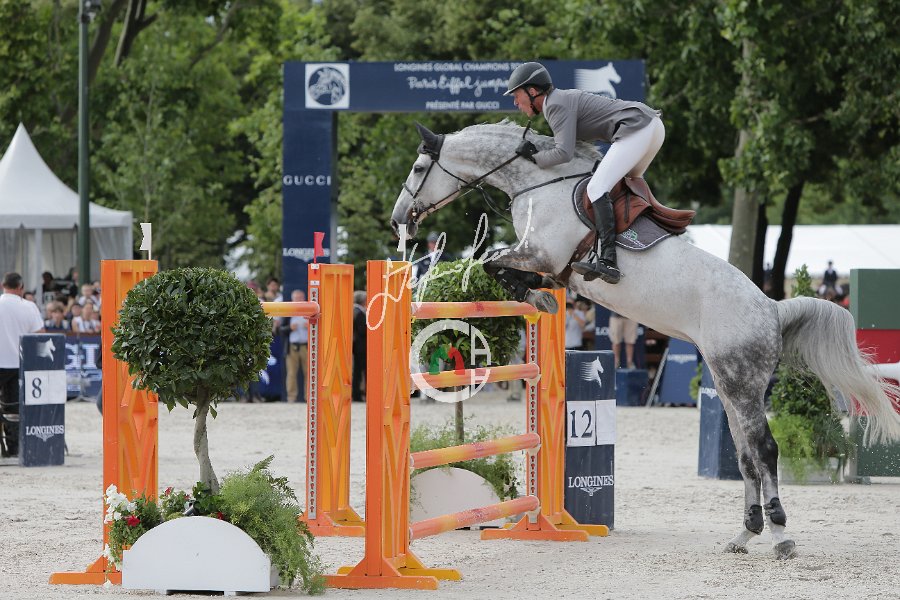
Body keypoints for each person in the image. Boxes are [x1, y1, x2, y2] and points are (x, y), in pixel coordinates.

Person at [505, 61, 665, 285]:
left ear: (532, 91)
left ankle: (608, 261)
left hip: (637, 127)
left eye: (516, 96)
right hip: (651, 126)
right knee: (624, 188)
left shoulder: (555, 104)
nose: (515, 102)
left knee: (596, 188)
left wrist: (534, 158)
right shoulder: (560, 100)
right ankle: (645, 240)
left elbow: (564, 153)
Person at [0, 272, 45, 457]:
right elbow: (41, 335)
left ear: (3, 285)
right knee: (13, 409)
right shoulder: (29, 306)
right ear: (20, 287)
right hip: (19, 364)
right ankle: (14, 448)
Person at [284, 289, 309, 403]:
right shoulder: (288, 312)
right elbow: (280, 329)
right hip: (292, 347)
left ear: (304, 299)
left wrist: (311, 326)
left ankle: (308, 397)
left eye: (300, 298)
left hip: (307, 346)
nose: (298, 301)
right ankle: (291, 397)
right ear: (292, 300)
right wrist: (289, 328)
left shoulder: (309, 311)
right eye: (296, 298)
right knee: (291, 373)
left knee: (309, 373)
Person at [352, 290, 367, 402]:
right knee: (361, 371)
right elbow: (362, 330)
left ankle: (357, 393)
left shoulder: (355, 311)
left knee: (357, 371)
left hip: (357, 346)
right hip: (361, 346)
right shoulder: (359, 312)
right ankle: (358, 394)